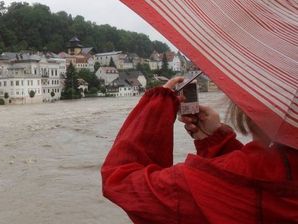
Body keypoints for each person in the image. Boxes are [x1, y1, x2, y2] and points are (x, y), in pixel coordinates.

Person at [102, 76, 298, 223]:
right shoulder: (269, 174)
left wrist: (157, 105)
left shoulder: (229, 180)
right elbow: (254, 185)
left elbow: (120, 180)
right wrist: (217, 143)